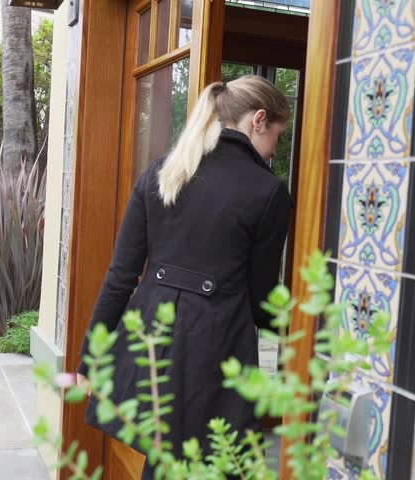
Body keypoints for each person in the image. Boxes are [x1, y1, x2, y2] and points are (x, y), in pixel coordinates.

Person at [75, 75, 293, 479]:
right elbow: (263, 297)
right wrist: (298, 332)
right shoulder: (268, 192)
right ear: (258, 121)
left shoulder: (163, 171)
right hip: (218, 350)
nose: (274, 152)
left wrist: (90, 360)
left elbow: (121, 277)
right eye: (279, 137)